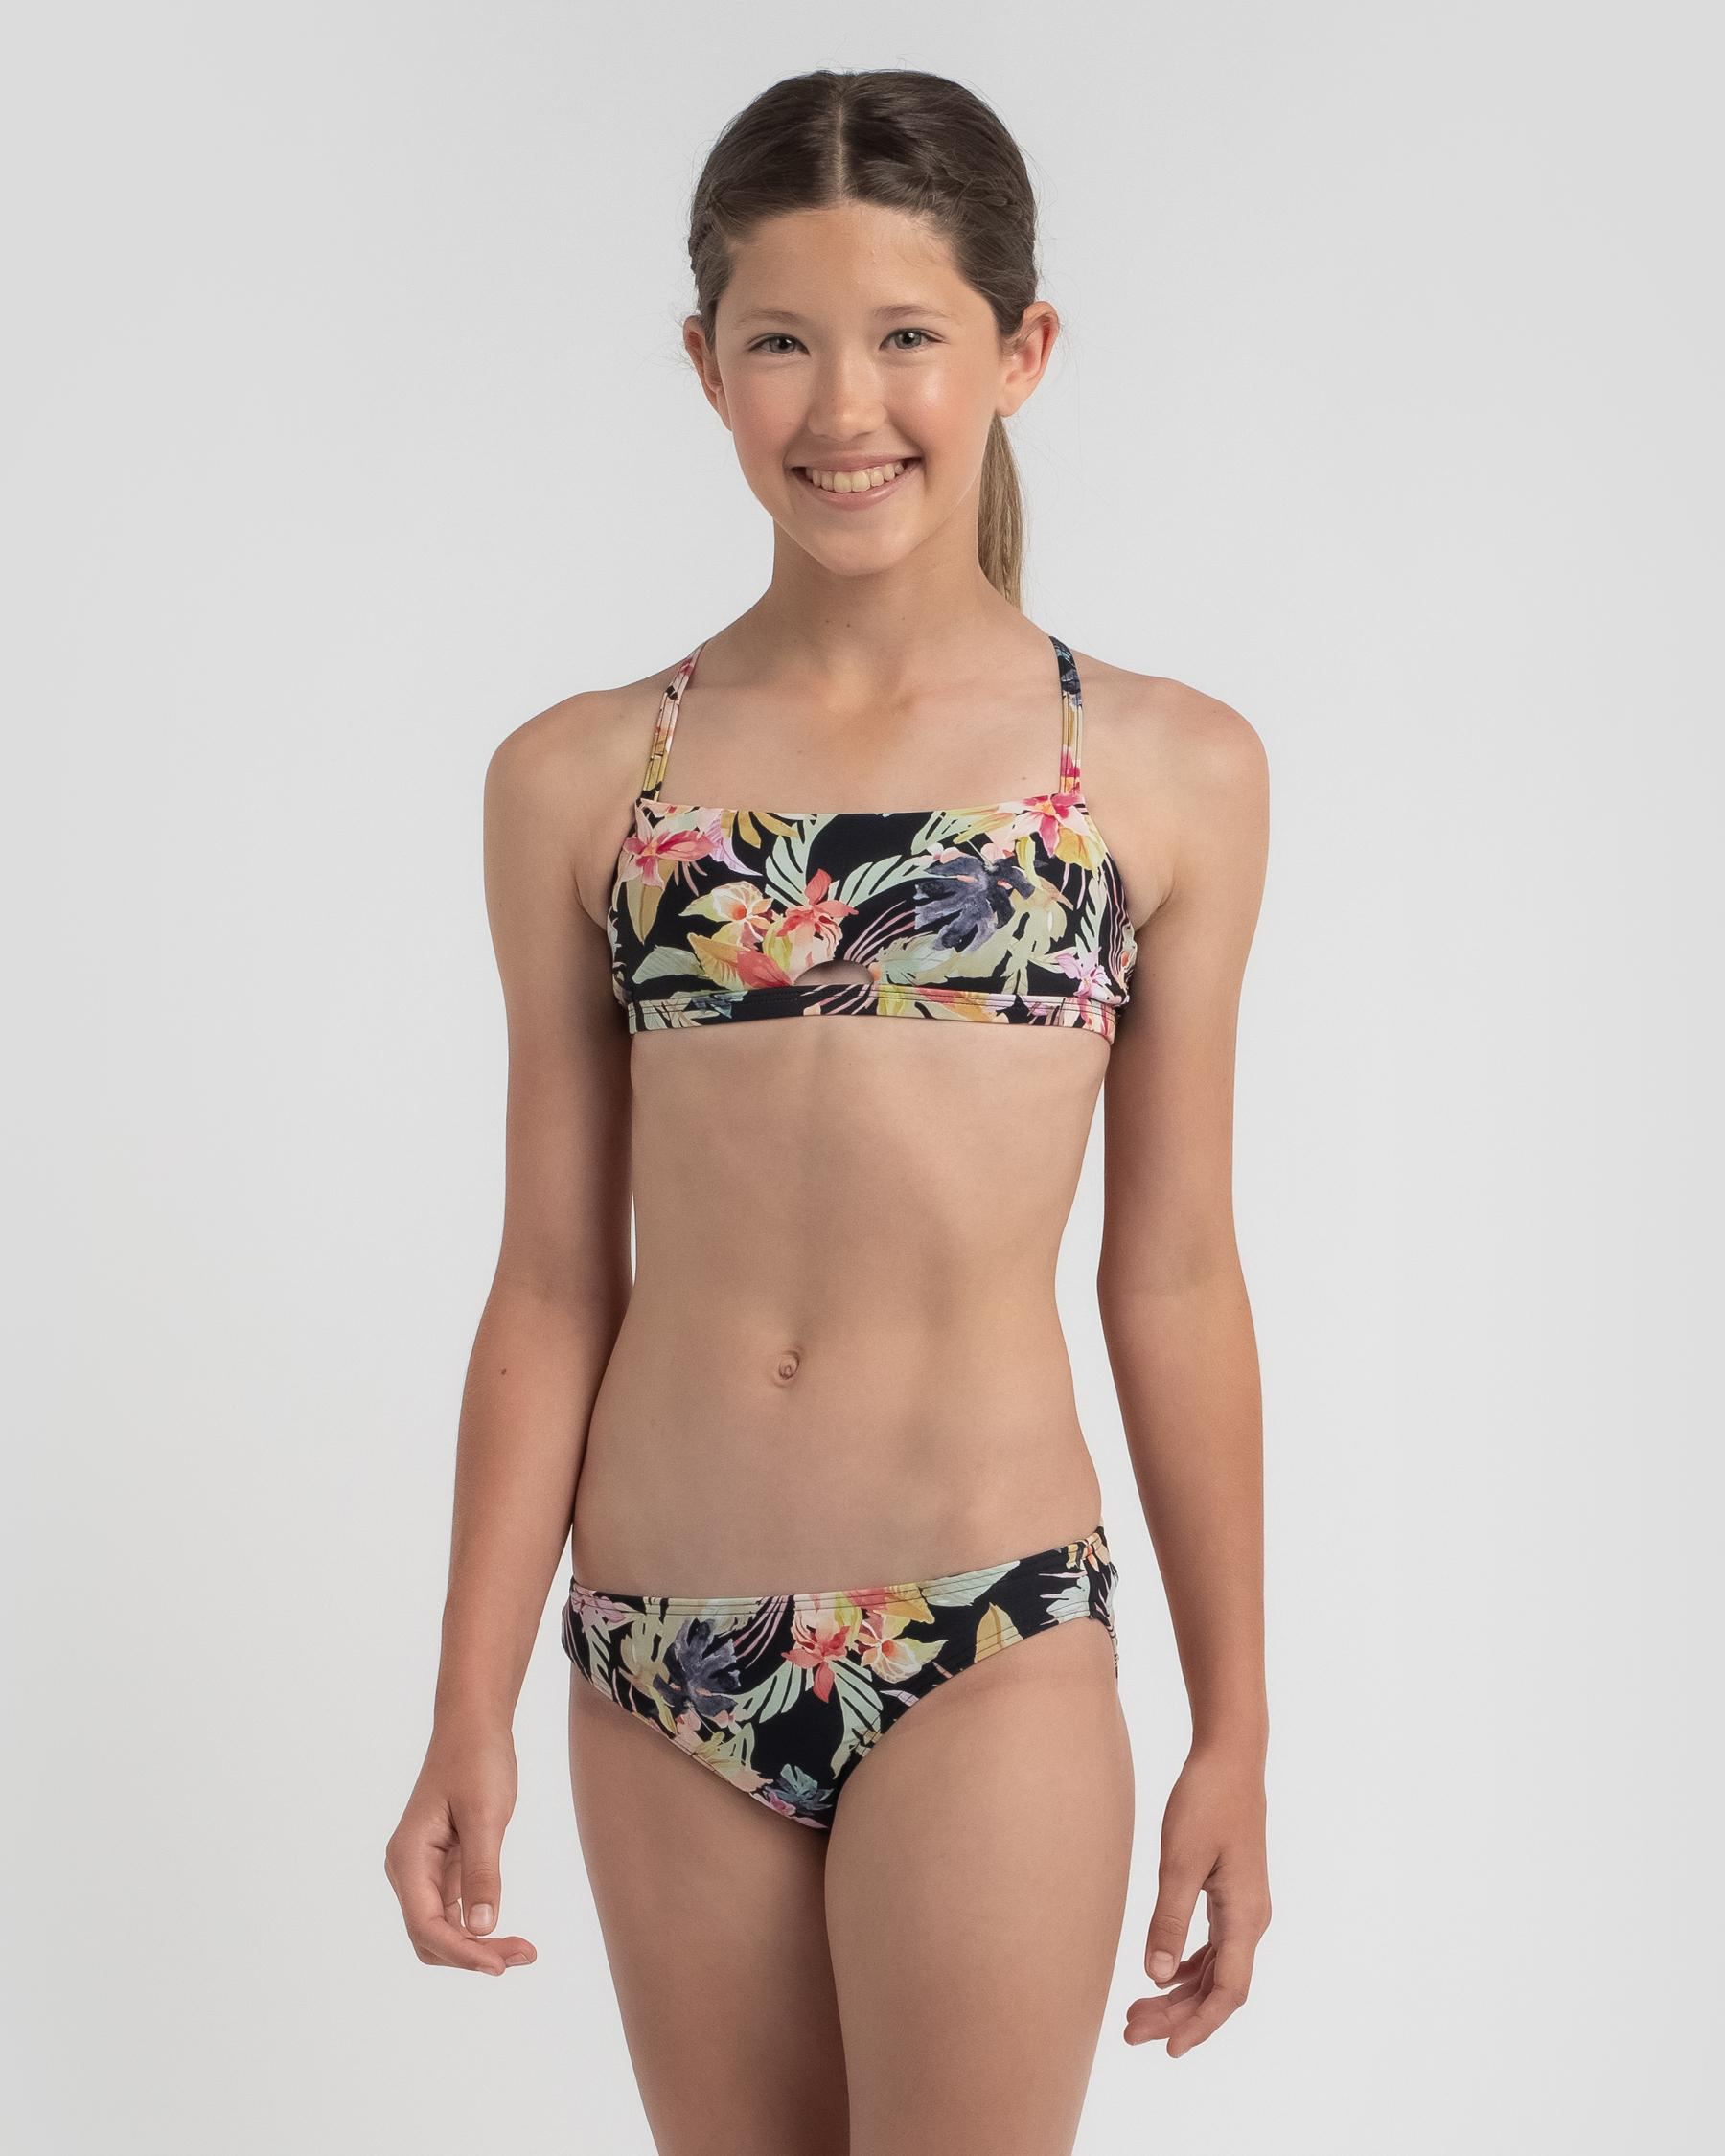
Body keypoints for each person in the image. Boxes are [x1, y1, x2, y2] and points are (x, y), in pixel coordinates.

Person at [385, 65, 1271, 2155]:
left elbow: (1173, 1276)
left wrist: (1237, 1722)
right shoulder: (581, 778)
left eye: (907, 337)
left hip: (989, 1634)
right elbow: (550, 1284)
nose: (844, 404)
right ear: (705, 365)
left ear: (1020, 352)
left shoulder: (1161, 775)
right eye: (781, 339)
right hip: (656, 1652)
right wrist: (465, 1699)